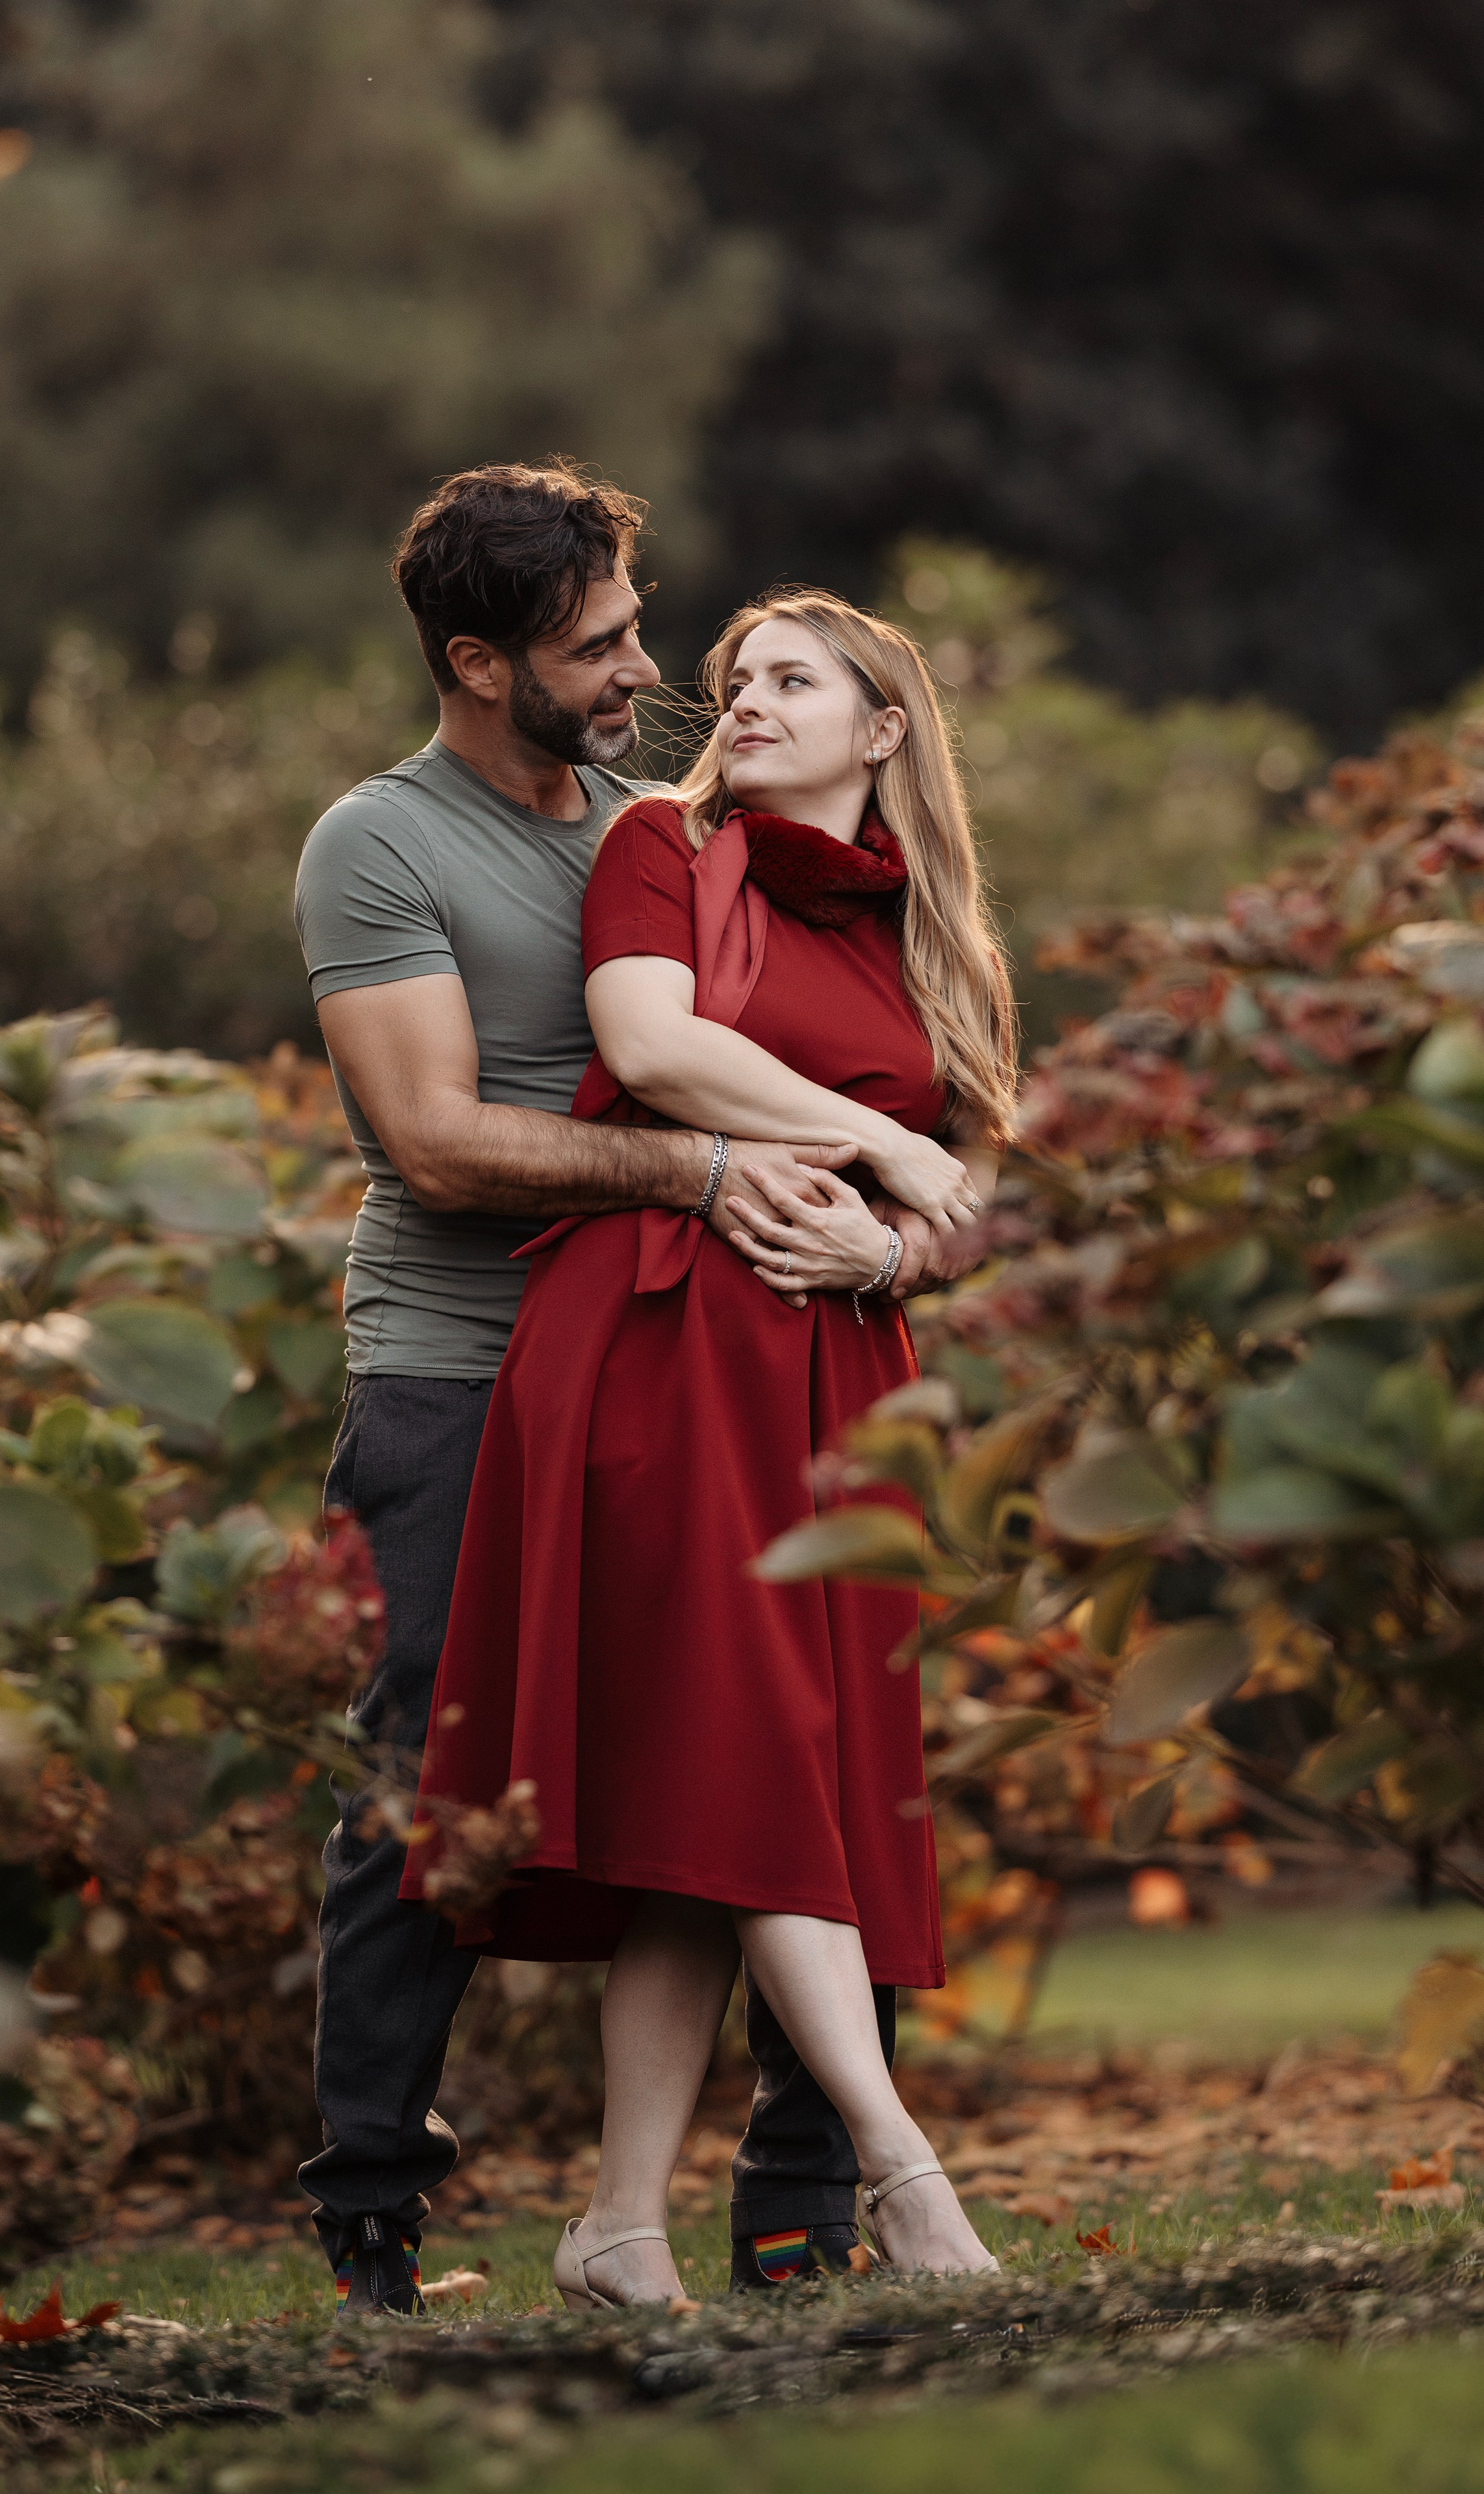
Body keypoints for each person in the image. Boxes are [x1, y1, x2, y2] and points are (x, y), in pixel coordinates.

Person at [294, 464, 962, 2319]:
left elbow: (897, 1086)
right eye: (599, 648)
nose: (648, 673)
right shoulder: (381, 843)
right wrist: (702, 1169)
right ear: (475, 662)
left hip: (699, 1367)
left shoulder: (668, 828)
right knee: (428, 1778)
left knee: (782, 1746)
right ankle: (372, 2222)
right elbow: (436, 1141)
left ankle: (799, 2209)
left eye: (638, 631)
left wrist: (887, 1234)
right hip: (460, 1362)